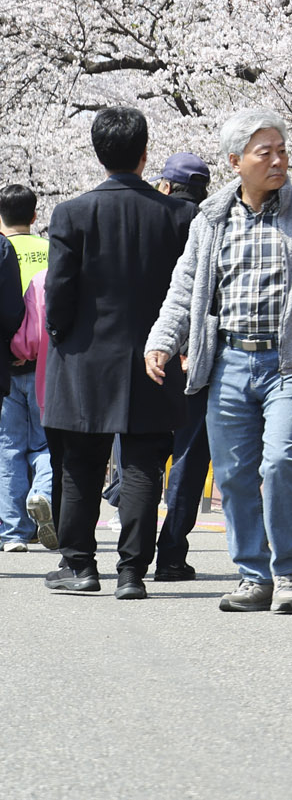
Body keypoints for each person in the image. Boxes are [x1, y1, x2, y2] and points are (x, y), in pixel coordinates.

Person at [145, 106, 292, 614]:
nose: (278, 161)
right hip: (229, 361)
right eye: (265, 153)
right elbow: (185, 288)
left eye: (282, 151)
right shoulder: (211, 217)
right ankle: (253, 576)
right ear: (235, 161)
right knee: (234, 474)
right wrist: (163, 340)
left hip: (291, 362)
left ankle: (287, 572)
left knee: (282, 460)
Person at [40, 109, 195, 599]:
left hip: (85, 356)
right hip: (154, 355)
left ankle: (80, 565)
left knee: (81, 463)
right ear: (145, 154)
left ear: (98, 153)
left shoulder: (72, 213)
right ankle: (132, 572)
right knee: (144, 464)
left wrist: (59, 331)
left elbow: (59, 290)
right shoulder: (178, 216)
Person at [153, 153, 215, 582]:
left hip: (149, 352)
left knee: (143, 450)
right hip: (196, 355)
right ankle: (172, 553)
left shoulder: (148, 219)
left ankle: (132, 547)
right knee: (190, 457)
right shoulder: (213, 223)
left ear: (165, 185)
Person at [0, 183, 52, 554]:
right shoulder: (51, 250)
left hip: (7, 364)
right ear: (35, 215)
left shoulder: (4, 249)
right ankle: (43, 492)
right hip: (46, 364)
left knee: (9, 448)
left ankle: (13, 533)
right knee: (46, 442)